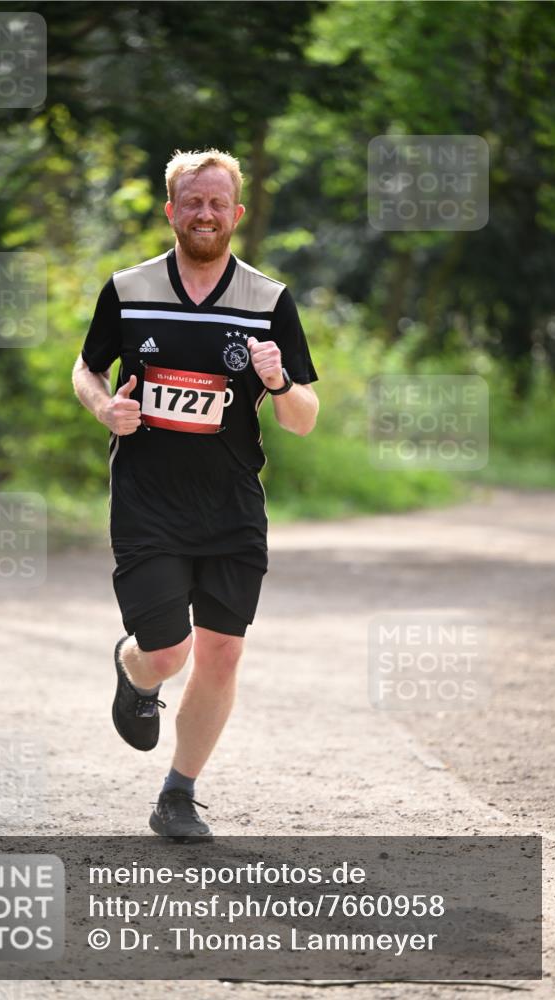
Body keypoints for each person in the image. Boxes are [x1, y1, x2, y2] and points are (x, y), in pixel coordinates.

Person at [72, 149, 318, 838]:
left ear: (236, 213)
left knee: (222, 652)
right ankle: (135, 669)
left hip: (231, 503)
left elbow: (303, 419)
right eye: (192, 202)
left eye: (216, 203)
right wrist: (105, 408)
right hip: (147, 500)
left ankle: (177, 795)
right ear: (171, 211)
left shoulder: (268, 301)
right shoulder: (129, 289)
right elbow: (86, 369)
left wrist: (278, 382)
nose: (204, 214)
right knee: (168, 651)